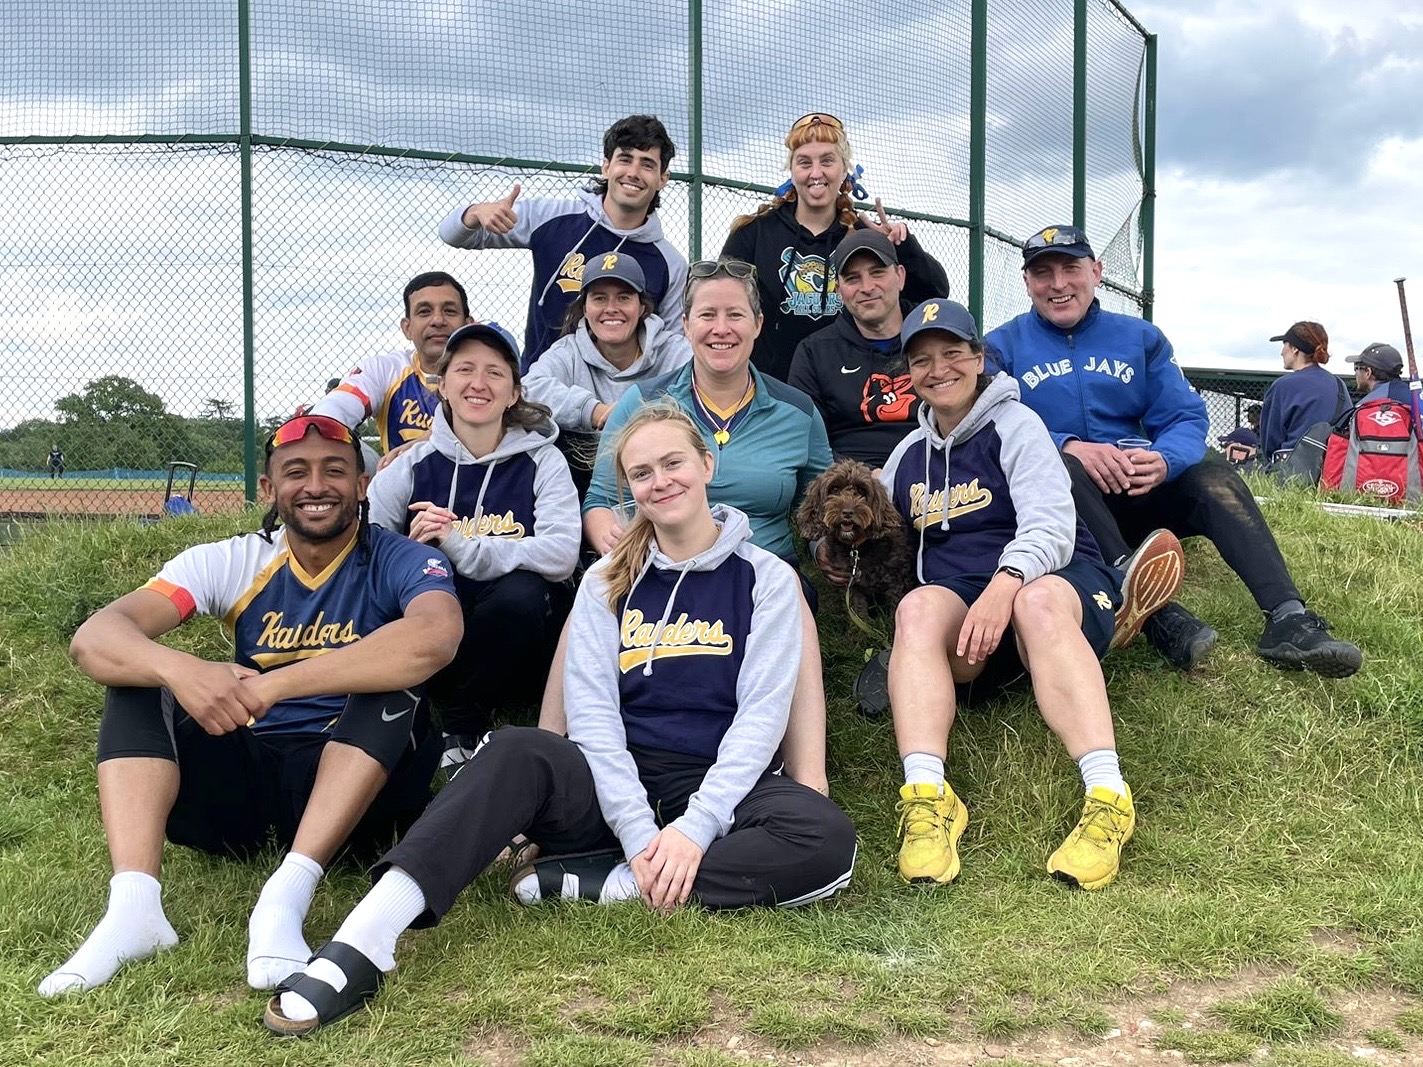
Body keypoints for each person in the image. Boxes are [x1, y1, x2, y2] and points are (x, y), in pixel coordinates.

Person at [262, 403, 858, 1037]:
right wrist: (637, 829)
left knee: (827, 841)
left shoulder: (767, 577)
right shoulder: (606, 578)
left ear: (707, 464)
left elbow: (762, 716)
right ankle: (365, 939)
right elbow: (593, 716)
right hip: (612, 779)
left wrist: (695, 828)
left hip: (720, 783)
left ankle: (615, 883)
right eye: (642, 473)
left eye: (673, 463)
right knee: (514, 750)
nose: (660, 482)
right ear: (627, 488)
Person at [39, 414, 462, 999]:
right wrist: (181, 669)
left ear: (362, 485)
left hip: (362, 797)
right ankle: (134, 908)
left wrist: (272, 686)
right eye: (296, 472)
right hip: (251, 783)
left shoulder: (403, 558)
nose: (316, 486)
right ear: (268, 488)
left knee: (397, 682)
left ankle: (288, 892)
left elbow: (435, 637)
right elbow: (96, 638)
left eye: (335, 471)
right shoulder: (232, 559)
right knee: (137, 678)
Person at [884, 299, 1172, 891]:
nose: (938, 369)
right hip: (968, 604)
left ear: (979, 357)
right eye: (922, 360)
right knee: (915, 609)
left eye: (952, 353)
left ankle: (1108, 797)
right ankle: (928, 798)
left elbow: (1050, 527)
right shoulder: (907, 455)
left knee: (1033, 604)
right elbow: (881, 528)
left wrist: (1005, 584)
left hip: (1054, 578)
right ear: (908, 373)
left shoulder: (1017, 425)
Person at [986, 224, 1362, 677]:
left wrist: (1164, 460)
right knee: (1059, 465)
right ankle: (1154, 613)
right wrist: (1067, 446)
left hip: (1137, 489)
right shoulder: (1000, 347)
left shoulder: (1140, 338)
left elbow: (1185, 417)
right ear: (1027, 282)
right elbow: (993, 423)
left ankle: (1288, 618)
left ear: (1096, 272)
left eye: (1071, 268)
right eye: (1043, 273)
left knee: (1213, 474)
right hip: (1064, 511)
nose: (1058, 283)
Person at [569, 256, 833, 795]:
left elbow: (821, 500)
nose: (721, 328)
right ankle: (558, 749)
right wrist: (609, 543)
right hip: (657, 562)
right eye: (707, 315)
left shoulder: (797, 411)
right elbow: (600, 499)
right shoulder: (643, 402)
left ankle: (808, 775)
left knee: (793, 597)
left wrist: (825, 544)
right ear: (685, 325)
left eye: (735, 314)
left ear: (758, 324)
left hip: (756, 571)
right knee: (594, 594)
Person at [368, 322, 579, 770]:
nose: (478, 383)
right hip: (438, 638)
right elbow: (366, 554)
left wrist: (463, 546)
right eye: (465, 369)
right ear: (442, 385)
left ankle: (462, 723)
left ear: (514, 393)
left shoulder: (543, 460)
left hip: (519, 644)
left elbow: (562, 554)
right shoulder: (411, 466)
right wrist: (409, 552)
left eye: (494, 373)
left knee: (522, 592)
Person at [439, 115, 687, 366]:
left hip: (621, 391)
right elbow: (453, 235)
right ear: (606, 167)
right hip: (539, 383)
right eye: (625, 159)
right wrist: (474, 213)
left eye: (647, 165)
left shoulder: (671, 264)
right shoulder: (549, 217)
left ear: (662, 179)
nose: (633, 173)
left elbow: (673, 348)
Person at [721, 112, 949, 382]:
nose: (816, 173)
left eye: (827, 161)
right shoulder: (754, 234)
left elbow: (935, 293)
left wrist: (902, 246)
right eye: (804, 162)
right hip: (771, 388)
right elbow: (723, 303)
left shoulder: (864, 237)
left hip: (848, 388)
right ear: (792, 170)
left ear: (844, 170)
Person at [522, 251, 692, 495]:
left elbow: (702, 388)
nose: (611, 308)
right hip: (588, 477)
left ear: (642, 307)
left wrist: (631, 415)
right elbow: (528, 390)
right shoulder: (568, 351)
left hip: (662, 471)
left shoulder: (673, 350)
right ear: (585, 308)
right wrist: (593, 411)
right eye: (599, 298)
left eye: (623, 298)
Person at [788, 229, 927, 468]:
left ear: (900, 276)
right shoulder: (814, 352)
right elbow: (806, 441)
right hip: (850, 480)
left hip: (934, 471)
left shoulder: (932, 338)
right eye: (852, 278)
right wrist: (869, 477)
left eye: (877, 272)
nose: (867, 287)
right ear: (838, 290)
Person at [311, 272, 473, 459]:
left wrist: (428, 440)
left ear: (468, 325)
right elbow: (338, 405)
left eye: (449, 311)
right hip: (402, 477)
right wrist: (318, 428)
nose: (438, 320)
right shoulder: (386, 369)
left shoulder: (490, 373)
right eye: (424, 312)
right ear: (407, 328)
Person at [1258, 322, 1351, 461]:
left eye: (1284, 345)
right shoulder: (1339, 384)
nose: (1281, 352)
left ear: (1295, 348)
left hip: (1291, 468)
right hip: (1333, 467)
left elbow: (1270, 443)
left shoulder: (1283, 386)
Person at [1346, 342, 1413, 407]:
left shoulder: (1370, 404)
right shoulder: (1414, 395)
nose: (1355, 374)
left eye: (1356, 368)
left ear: (1368, 372)